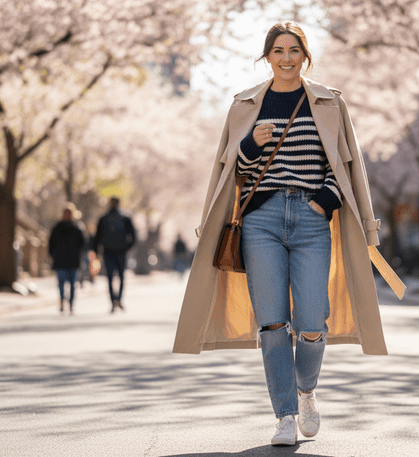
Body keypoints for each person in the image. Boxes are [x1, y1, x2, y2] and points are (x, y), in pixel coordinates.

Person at [172, 21, 403, 447]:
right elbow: (231, 172)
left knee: (313, 321)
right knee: (273, 323)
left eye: (294, 49)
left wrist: (325, 200)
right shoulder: (245, 103)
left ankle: (307, 389)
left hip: (312, 221)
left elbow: (347, 165)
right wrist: (251, 145)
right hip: (260, 220)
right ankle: (284, 414)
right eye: (277, 50)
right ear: (267, 56)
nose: (286, 57)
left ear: (305, 55)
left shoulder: (329, 102)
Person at [93, 197, 135, 313]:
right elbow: (133, 235)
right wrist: (127, 248)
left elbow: (97, 237)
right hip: (120, 251)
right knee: (121, 277)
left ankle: (113, 301)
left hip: (109, 252)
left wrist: (97, 251)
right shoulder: (125, 218)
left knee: (110, 278)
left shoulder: (104, 218)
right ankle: (119, 300)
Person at [49, 205, 86, 315]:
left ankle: (71, 304)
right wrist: (53, 255)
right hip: (60, 260)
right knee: (61, 283)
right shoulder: (56, 228)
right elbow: (51, 244)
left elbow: (82, 244)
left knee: (73, 284)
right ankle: (61, 301)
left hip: (73, 261)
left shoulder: (77, 228)